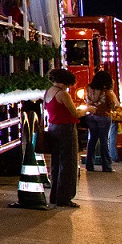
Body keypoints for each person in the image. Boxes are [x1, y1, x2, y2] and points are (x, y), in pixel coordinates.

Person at [44, 68, 81, 207]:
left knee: (56, 163)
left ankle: (55, 195)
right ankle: (65, 197)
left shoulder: (48, 92)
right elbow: (75, 113)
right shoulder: (63, 94)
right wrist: (88, 110)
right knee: (68, 163)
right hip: (66, 129)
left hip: (53, 127)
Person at [85, 70, 119, 170]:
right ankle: (106, 166)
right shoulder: (107, 92)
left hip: (90, 116)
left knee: (92, 140)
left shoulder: (87, 89)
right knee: (104, 140)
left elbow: (85, 100)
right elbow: (114, 105)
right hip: (104, 116)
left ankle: (89, 165)